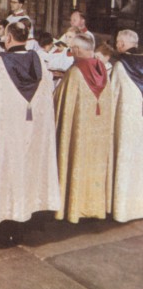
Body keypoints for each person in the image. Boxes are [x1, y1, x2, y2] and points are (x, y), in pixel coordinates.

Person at [0, 21, 60, 225]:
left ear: (8, 38)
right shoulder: (39, 61)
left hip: (8, 130)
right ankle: (32, 204)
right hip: (33, 127)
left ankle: (5, 208)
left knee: (7, 165)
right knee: (29, 163)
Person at [54, 33, 112, 223]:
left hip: (79, 135)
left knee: (76, 162)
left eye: (72, 49)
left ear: (77, 50)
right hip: (99, 133)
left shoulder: (75, 72)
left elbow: (60, 101)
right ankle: (94, 207)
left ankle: (74, 209)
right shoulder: (103, 69)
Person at [110, 30, 143, 222]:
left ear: (121, 44)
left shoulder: (121, 66)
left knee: (126, 162)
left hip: (126, 123)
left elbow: (112, 97)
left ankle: (124, 210)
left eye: (117, 43)